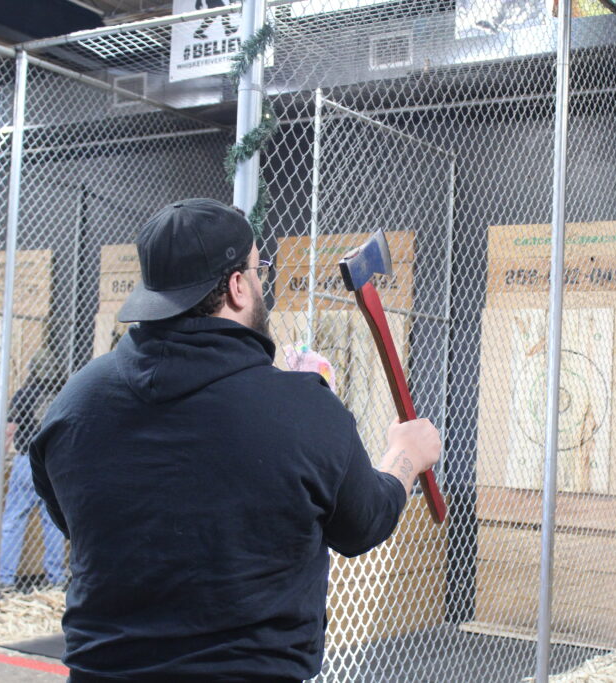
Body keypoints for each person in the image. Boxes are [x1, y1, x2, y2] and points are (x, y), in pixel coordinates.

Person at [29, 198, 441, 682]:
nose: (261, 282)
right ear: (237, 286)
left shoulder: (75, 403)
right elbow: (362, 524)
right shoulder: (303, 410)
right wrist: (404, 456)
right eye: (258, 269)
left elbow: (75, 520)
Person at [0, 349, 68, 592]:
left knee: (14, 519)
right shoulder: (63, 395)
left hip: (28, 462)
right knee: (53, 521)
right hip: (56, 462)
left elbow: (9, 431)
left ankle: (4, 579)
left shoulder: (25, 394)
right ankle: (56, 578)